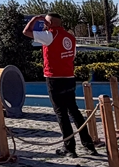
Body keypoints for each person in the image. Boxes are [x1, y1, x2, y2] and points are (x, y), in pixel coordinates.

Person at [23, 13, 98, 157]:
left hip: (54, 78)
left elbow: (26, 32)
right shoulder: (70, 37)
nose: (43, 24)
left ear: (49, 23)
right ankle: (88, 145)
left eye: (45, 22)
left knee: (61, 114)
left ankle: (69, 148)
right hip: (69, 77)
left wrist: (34, 19)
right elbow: (72, 56)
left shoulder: (49, 35)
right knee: (74, 111)